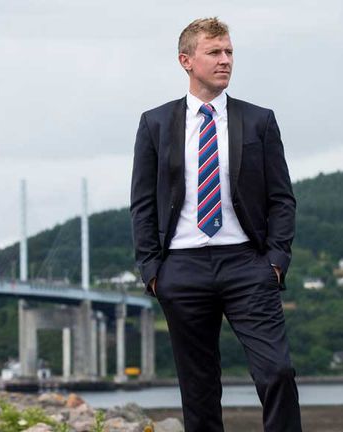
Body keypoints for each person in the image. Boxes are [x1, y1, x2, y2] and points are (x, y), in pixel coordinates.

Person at [129, 17, 302, 431]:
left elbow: (282, 198)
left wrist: (275, 261)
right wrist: (153, 271)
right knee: (199, 389)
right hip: (181, 267)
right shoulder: (155, 124)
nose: (225, 61)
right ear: (186, 61)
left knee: (277, 372)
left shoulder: (259, 121)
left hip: (247, 263)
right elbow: (142, 202)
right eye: (214, 52)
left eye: (229, 52)